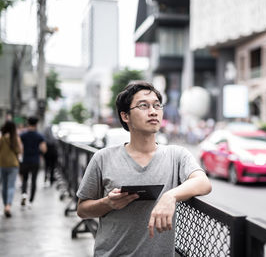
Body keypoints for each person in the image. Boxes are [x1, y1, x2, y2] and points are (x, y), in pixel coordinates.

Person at [76, 82, 212, 256]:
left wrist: (170, 196)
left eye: (157, 105)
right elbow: (82, 210)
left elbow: (203, 182)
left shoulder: (176, 154)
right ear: (125, 116)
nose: (153, 111)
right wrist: (107, 203)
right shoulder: (103, 158)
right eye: (143, 106)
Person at [20, 116, 47, 207]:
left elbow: (20, 148)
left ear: (28, 123)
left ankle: (24, 194)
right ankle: (31, 201)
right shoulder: (39, 136)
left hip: (25, 160)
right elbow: (44, 149)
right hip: (35, 160)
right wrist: (38, 151)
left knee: (25, 179)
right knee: (34, 180)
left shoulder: (23, 135)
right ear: (36, 124)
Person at [0, 121, 23, 217]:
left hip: (2, 164)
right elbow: (19, 151)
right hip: (13, 165)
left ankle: (5, 205)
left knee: (4, 186)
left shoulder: (2, 138)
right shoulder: (15, 139)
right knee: (11, 186)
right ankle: (8, 206)